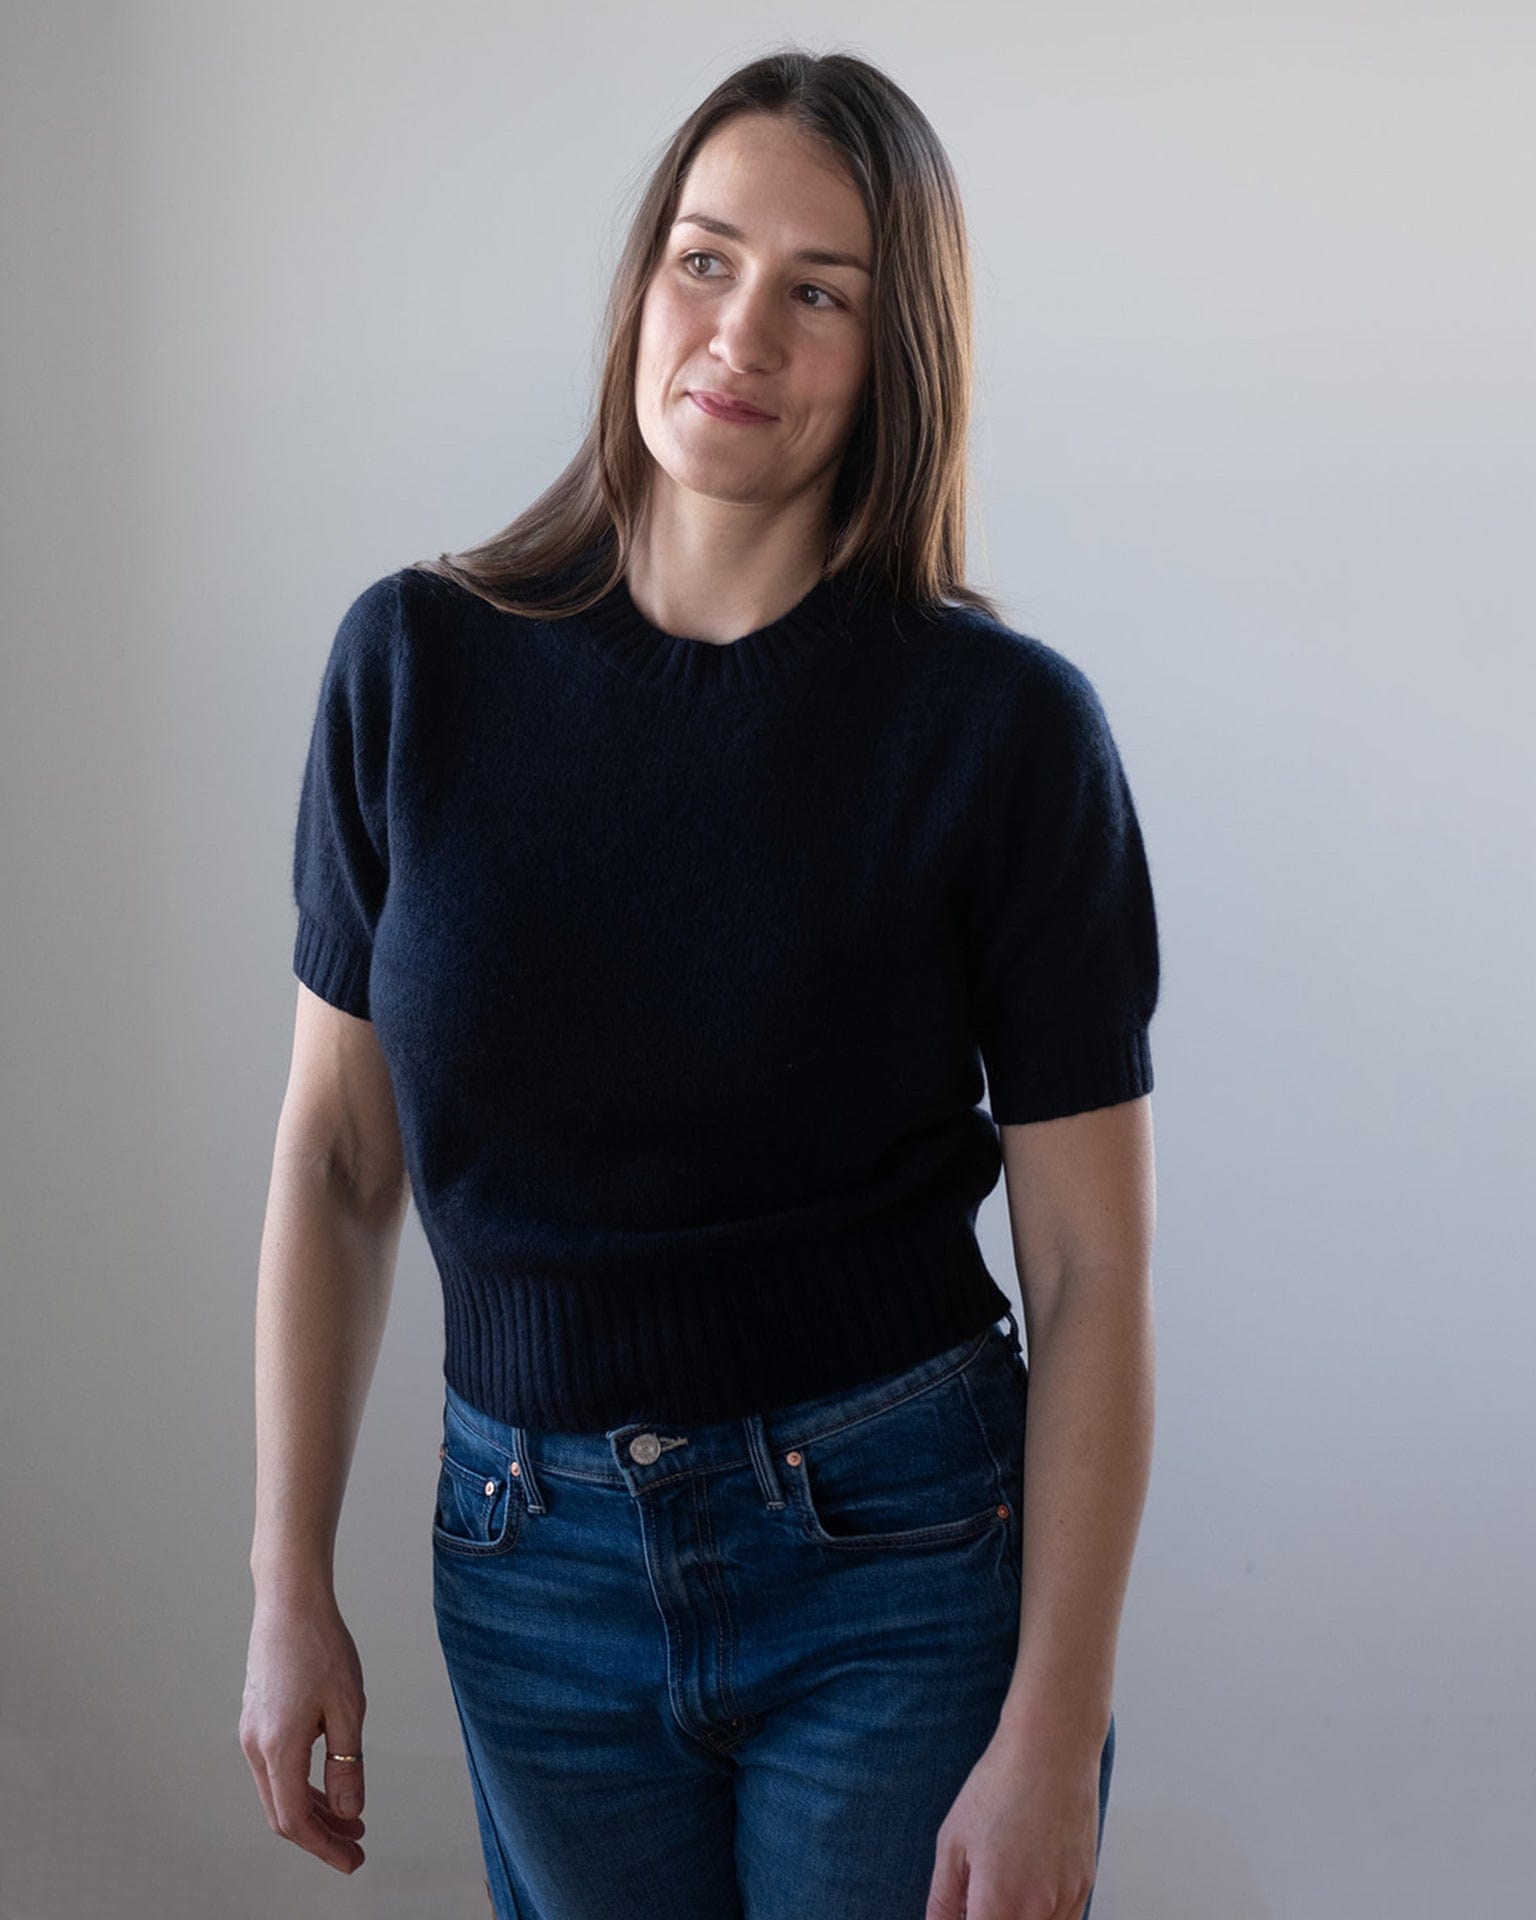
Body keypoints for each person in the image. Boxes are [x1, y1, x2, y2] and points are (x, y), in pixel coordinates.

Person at [241, 46, 1160, 1920]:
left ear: (894, 353)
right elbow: (340, 1168)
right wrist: (285, 1582)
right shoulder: (415, 666)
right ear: (643, 283)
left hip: (898, 1555)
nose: (742, 328)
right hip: (526, 1561)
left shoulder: (1004, 734)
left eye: (820, 292)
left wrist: (1055, 1722)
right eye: (704, 258)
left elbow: (1091, 1266)